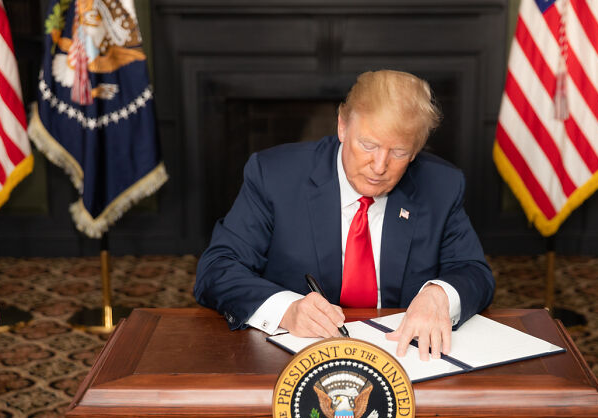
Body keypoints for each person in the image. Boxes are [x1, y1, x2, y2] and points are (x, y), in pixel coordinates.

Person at [194, 70, 494, 361]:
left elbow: (474, 272)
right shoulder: (274, 175)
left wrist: (440, 295)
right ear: (342, 126)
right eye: (368, 145)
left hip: (402, 356)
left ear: (415, 151)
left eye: (399, 152)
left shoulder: (441, 185)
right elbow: (217, 269)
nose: (379, 166)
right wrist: (286, 309)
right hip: (295, 358)